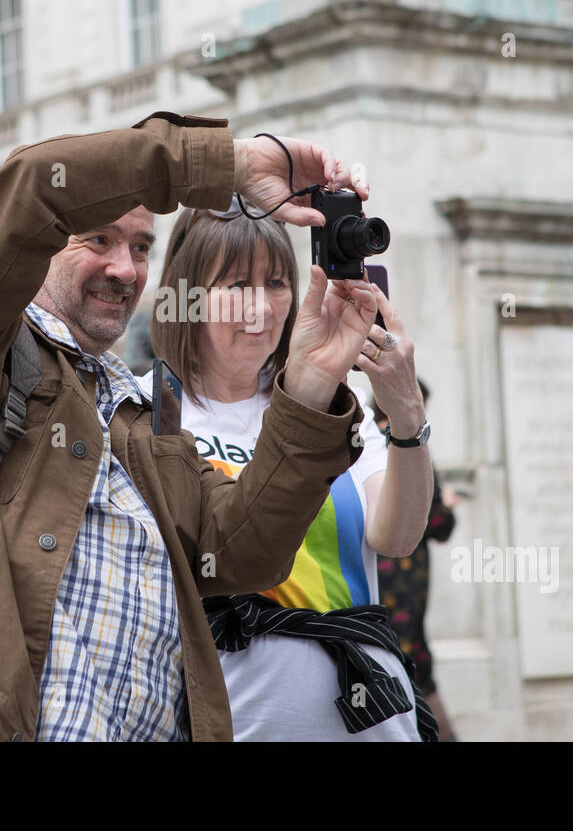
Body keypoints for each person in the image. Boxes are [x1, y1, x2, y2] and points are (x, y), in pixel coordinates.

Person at [0, 112, 380, 741]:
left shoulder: (148, 406)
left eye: (142, 247)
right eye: (97, 239)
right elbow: (30, 187)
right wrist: (225, 165)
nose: (125, 269)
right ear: (46, 243)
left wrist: (309, 384)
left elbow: (237, 551)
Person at [143, 204, 437, 741]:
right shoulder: (145, 409)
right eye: (236, 284)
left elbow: (397, 536)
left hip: (374, 721)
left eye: (276, 283)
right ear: (186, 297)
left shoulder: (333, 406)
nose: (260, 307)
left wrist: (406, 411)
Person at [373, 379, 458, 741]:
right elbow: (436, 522)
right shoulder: (408, 443)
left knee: (402, 662)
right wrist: (449, 507)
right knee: (413, 664)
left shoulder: (362, 440)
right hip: (407, 583)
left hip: (379, 580)